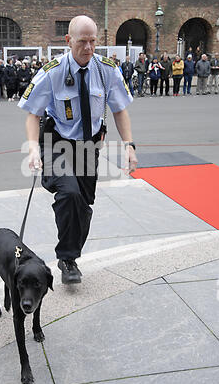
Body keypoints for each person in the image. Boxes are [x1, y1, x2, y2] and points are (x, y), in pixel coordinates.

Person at [18, 15, 137, 285]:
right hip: (57, 143)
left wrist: (129, 146)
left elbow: (120, 109)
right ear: (68, 40)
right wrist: (34, 149)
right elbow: (32, 114)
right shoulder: (53, 71)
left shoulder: (107, 70)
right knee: (69, 193)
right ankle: (67, 259)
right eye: (82, 41)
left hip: (88, 147)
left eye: (93, 41)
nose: (88, 47)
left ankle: (70, 251)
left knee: (82, 206)